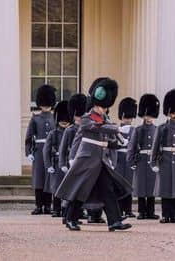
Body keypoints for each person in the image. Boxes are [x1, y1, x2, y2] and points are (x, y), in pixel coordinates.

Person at [56, 78, 133, 232]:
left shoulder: (104, 119)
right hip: (87, 160)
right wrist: (116, 129)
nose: (104, 110)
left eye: (105, 107)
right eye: (101, 107)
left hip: (100, 161)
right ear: (95, 105)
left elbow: (106, 141)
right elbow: (97, 128)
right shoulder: (86, 118)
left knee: (108, 189)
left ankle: (114, 221)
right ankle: (70, 218)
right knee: (80, 189)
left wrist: (120, 143)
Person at [151, 89, 175, 224]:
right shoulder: (162, 128)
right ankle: (165, 215)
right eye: (172, 112)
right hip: (165, 160)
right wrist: (153, 163)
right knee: (166, 188)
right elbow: (155, 147)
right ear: (169, 112)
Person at [127, 94, 160, 220]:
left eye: (151, 115)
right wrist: (131, 162)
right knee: (141, 187)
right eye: (147, 115)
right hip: (140, 160)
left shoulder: (157, 129)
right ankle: (142, 211)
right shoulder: (138, 130)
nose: (149, 118)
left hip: (152, 161)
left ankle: (150, 211)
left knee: (151, 187)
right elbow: (132, 147)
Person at [26, 85, 56, 215]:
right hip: (38, 151)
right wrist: (28, 152)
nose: (45, 106)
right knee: (39, 179)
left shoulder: (55, 118)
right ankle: (39, 205)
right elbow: (29, 137)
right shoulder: (35, 118)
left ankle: (48, 206)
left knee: (49, 179)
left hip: (51, 152)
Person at [58, 94, 87, 224]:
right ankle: (66, 215)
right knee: (71, 190)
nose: (80, 118)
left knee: (79, 190)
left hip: (83, 162)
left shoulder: (86, 128)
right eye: (78, 115)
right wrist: (63, 163)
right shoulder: (69, 130)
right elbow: (63, 149)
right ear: (74, 116)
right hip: (72, 162)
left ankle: (77, 214)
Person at [43, 101, 71, 217]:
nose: (64, 121)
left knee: (69, 187)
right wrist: (48, 165)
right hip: (56, 163)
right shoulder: (53, 133)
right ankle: (56, 209)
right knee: (56, 188)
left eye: (66, 119)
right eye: (62, 119)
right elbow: (46, 150)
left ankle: (66, 210)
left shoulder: (72, 132)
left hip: (69, 162)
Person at [116, 97, 138, 218]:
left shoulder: (135, 130)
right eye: (126, 118)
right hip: (119, 158)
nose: (128, 120)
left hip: (129, 159)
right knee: (119, 185)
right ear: (121, 117)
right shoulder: (116, 129)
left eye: (130, 118)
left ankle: (128, 209)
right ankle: (119, 209)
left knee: (129, 185)